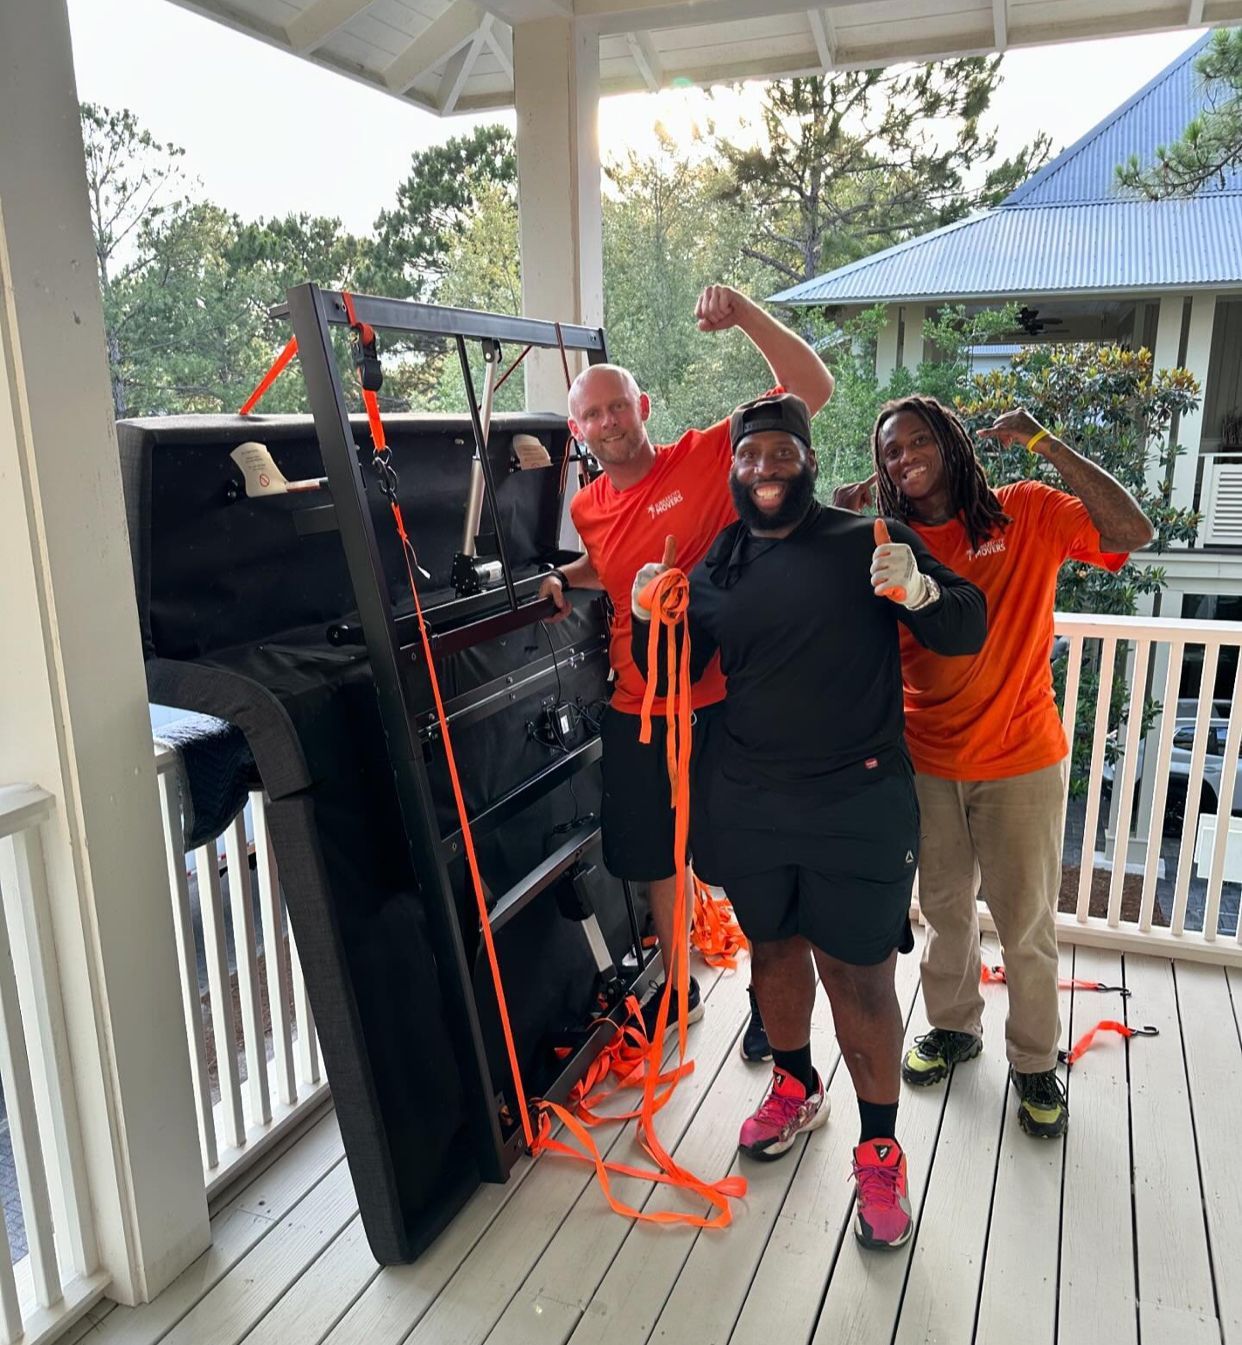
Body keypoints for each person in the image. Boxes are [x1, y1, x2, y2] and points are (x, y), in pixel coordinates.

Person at [631, 392, 986, 1250]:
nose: (764, 469)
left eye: (781, 453)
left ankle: (879, 1146)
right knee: (774, 951)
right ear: (735, 466)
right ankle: (795, 1084)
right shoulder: (719, 565)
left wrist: (919, 587)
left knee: (860, 977)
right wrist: (647, 618)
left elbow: (965, 626)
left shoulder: (862, 541)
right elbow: (669, 671)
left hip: (858, 803)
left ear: (808, 460)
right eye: (751, 456)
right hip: (751, 798)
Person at [836, 398, 1154, 1140]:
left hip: (1020, 761)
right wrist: (839, 514)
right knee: (944, 915)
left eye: (920, 440)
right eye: (891, 450)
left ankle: (1037, 1060)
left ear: (952, 443)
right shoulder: (886, 536)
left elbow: (1132, 531)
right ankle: (954, 1027)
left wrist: (1044, 440)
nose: (906, 456)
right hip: (927, 760)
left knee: (1027, 927)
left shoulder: (1027, 511)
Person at [538, 287, 834, 1052]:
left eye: (617, 406)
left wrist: (744, 317)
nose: (608, 422)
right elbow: (609, 566)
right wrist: (564, 580)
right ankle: (679, 985)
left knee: (751, 857)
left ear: (643, 404)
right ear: (579, 431)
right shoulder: (589, 508)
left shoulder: (706, 458)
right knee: (656, 860)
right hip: (640, 705)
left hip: (727, 702)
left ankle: (774, 1005)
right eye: (592, 416)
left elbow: (813, 389)